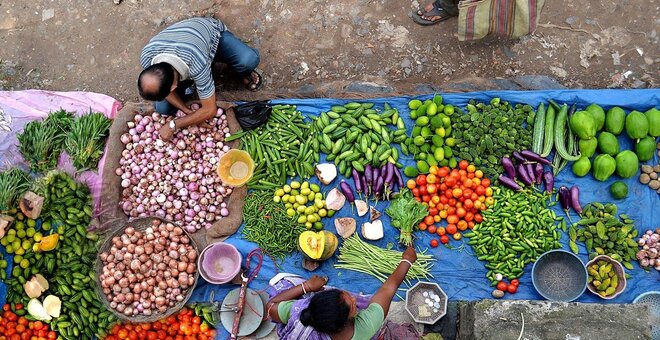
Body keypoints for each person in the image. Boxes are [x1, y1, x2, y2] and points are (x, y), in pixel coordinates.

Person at [138, 17, 262, 141]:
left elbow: (210, 109)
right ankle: (203, 72)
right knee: (163, 108)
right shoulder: (147, 56)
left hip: (212, 36)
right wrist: (188, 112)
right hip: (186, 42)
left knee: (248, 60)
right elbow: (167, 95)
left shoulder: (196, 63)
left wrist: (173, 125)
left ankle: (234, 66)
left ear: (173, 87)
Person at [266, 246, 418, 339]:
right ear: (345, 322)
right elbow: (387, 290)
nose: (353, 298)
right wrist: (407, 261)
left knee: (284, 283)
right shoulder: (364, 329)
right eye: (353, 305)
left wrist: (307, 286)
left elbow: (271, 306)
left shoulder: (299, 311)